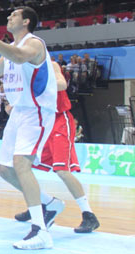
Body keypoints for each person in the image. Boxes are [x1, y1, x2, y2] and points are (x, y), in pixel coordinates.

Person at [0, 7, 58, 250]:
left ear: (26, 21)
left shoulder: (34, 44)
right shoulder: (11, 50)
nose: (8, 18)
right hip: (18, 113)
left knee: (22, 164)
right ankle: (48, 204)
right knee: (5, 170)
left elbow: (17, 56)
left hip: (36, 111)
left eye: (13, 15)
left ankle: (41, 231)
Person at [15, 61, 100, 233]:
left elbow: (62, 84)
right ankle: (37, 206)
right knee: (23, 167)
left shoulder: (50, 64)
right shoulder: (24, 70)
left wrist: (41, 83)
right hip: (42, 122)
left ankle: (89, 215)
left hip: (60, 120)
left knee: (62, 170)